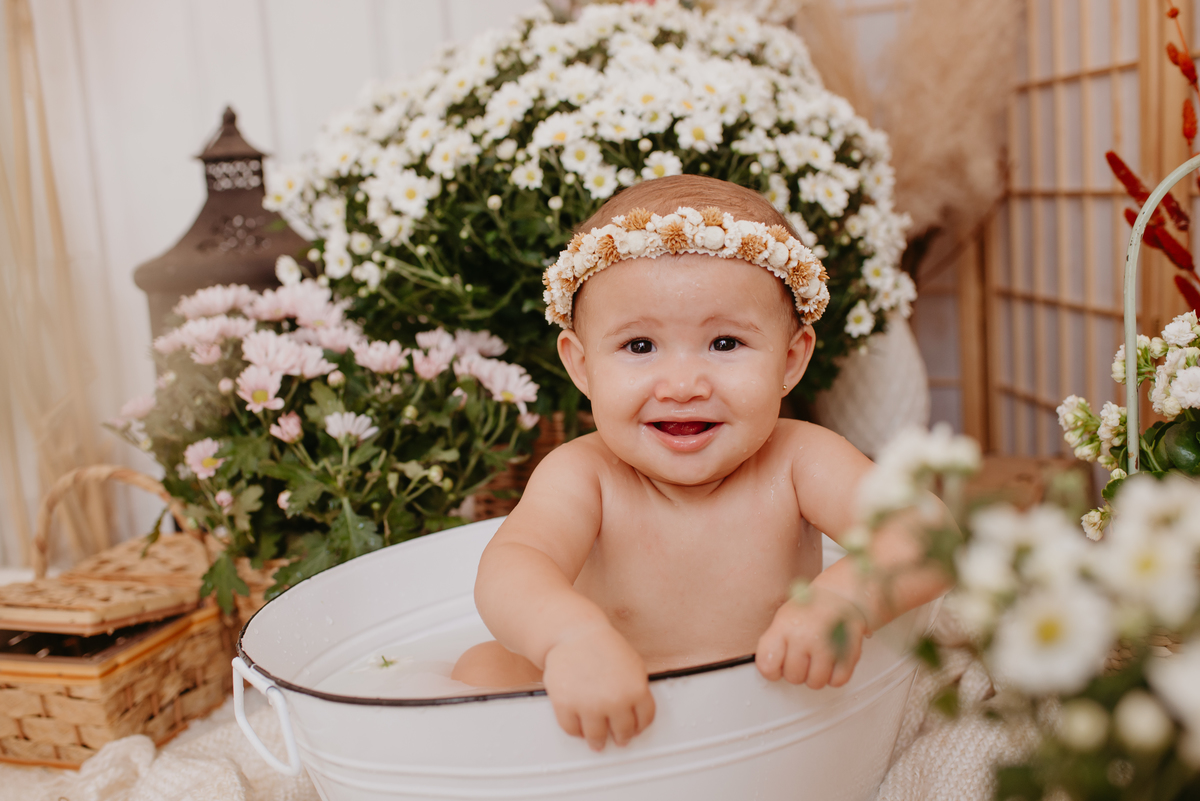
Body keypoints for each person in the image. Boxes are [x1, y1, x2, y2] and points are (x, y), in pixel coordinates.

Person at [451, 174, 950, 751]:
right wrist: (569, 638)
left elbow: (929, 535)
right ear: (582, 366)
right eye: (640, 347)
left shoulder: (799, 460)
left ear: (790, 360)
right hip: (604, 728)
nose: (684, 385)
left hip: (758, 723)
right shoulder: (583, 475)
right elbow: (513, 567)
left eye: (725, 344)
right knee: (475, 676)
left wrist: (842, 601)